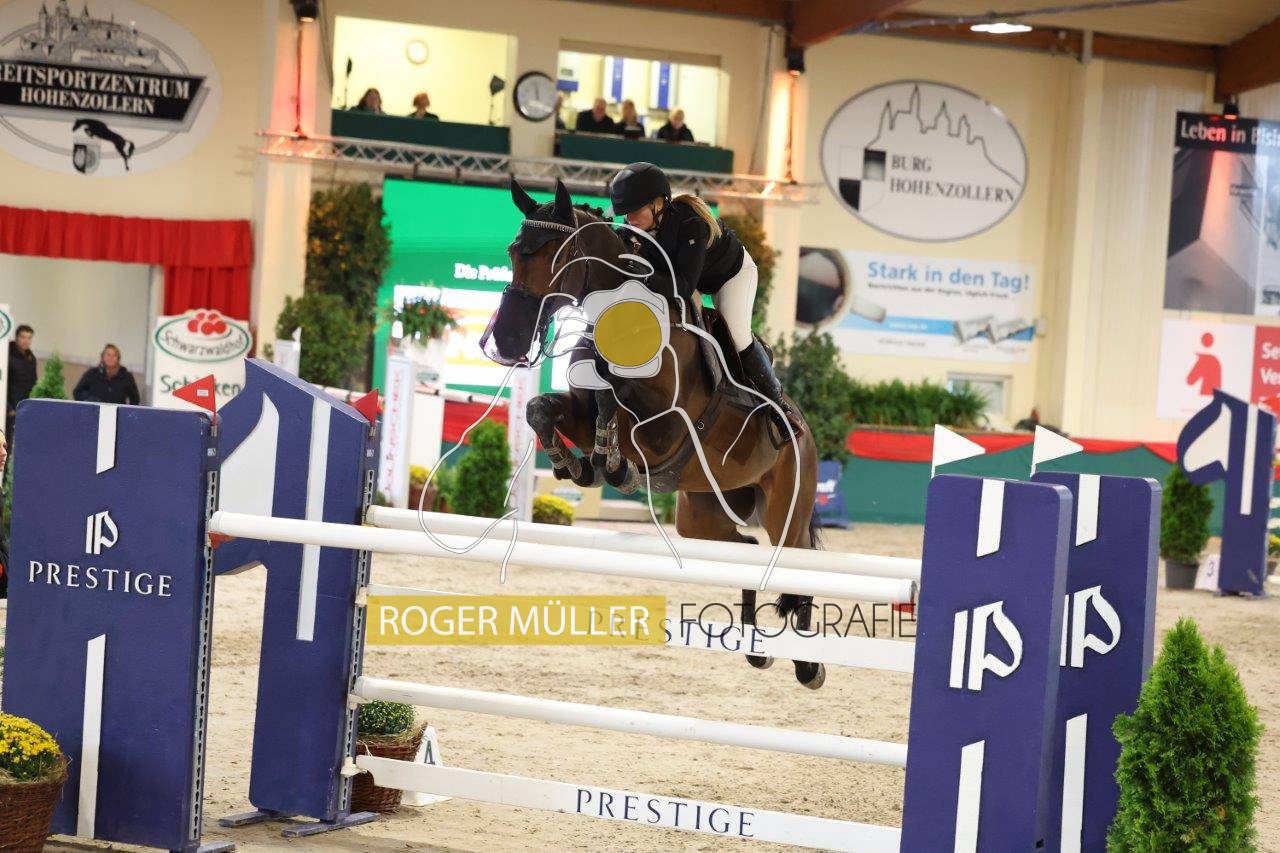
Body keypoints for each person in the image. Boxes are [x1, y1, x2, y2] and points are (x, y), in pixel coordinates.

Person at [608, 162, 804, 436]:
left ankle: (778, 406)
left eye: (634, 211)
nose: (629, 219)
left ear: (657, 203)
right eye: (625, 213)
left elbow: (683, 287)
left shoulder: (692, 224)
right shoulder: (635, 228)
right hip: (694, 279)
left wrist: (644, 276)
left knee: (736, 335)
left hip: (731, 276)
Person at [73, 344, 141, 405]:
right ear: (102, 357)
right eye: (108, 355)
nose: (111, 358)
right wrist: (89, 400)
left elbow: (135, 399)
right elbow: (77, 392)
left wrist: (127, 412)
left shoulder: (127, 376)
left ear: (118, 358)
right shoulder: (92, 373)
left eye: (114, 355)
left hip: (117, 413)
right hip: (95, 412)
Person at [7, 324, 36, 438]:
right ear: (16, 337)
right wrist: (9, 408)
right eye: (23, 337)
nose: (26, 341)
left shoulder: (31, 357)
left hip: (26, 407)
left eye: (29, 338)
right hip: (11, 409)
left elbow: (34, 382)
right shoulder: (7, 355)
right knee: (9, 440)